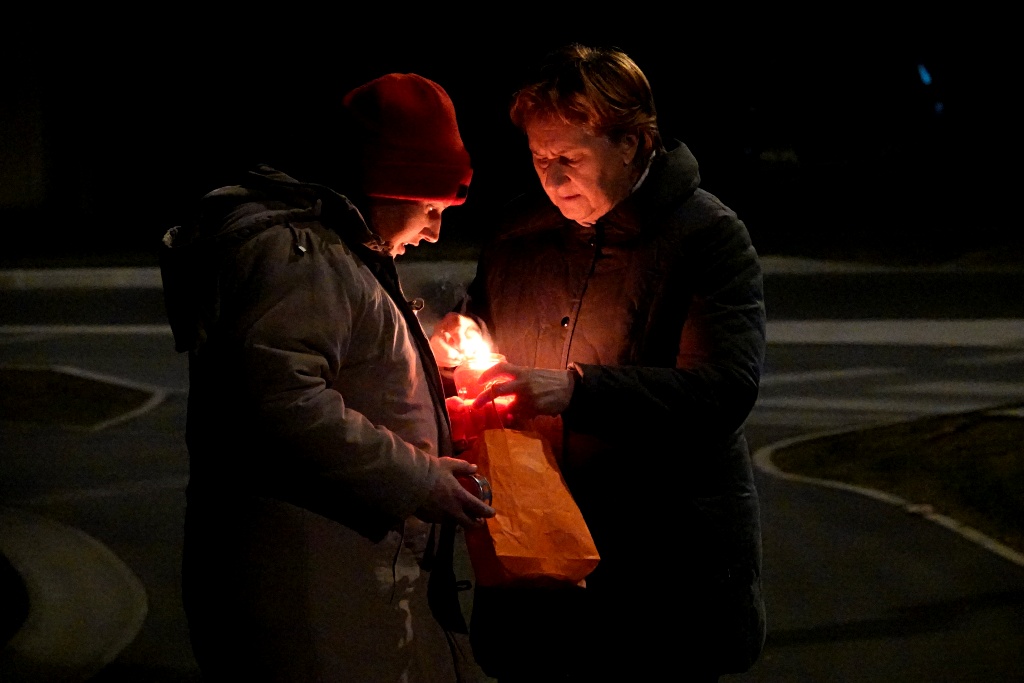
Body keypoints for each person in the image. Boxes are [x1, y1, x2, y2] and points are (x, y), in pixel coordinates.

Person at [430, 44, 767, 681]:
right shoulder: (519, 232)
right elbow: (482, 323)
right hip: (535, 558)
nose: (553, 181)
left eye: (570, 158)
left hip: (665, 572)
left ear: (635, 144)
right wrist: (463, 335)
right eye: (538, 158)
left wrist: (575, 390)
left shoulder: (708, 237)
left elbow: (725, 390)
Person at [159, 72, 496, 682]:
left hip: (333, 580)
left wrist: (429, 388)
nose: (434, 231)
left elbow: (333, 373)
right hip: (305, 589)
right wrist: (418, 477)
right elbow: (279, 401)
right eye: (430, 207)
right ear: (390, 184)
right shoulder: (302, 254)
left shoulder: (334, 249)